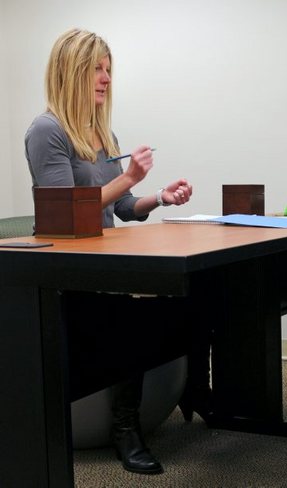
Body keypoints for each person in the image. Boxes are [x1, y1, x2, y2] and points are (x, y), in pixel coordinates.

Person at [24, 28, 200, 475]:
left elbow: (122, 208)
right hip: (67, 267)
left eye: (107, 70)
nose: (105, 79)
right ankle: (126, 429)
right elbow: (64, 211)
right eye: (95, 70)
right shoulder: (46, 131)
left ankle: (196, 389)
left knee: (182, 300)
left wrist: (159, 197)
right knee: (129, 324)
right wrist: (127, 179)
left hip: (104, 259)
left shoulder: (103, 132)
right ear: (71, 73)